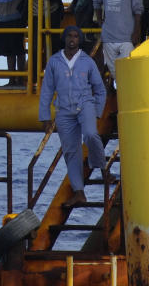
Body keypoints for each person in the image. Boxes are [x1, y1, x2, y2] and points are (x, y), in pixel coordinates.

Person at [39, 25, 108, 208]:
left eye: (76, 36)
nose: (72, 39)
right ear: (64, 38)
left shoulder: (87, 61)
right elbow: (47, 90)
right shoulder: (54, 62)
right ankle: (79, 192)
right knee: (71, 152)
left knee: (91, 134)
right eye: (69, 35)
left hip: (85, 104)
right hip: (63, 110)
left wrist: (98, 111)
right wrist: (45, 117)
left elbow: (100, 89)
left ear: (80, 40)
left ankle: (100, 166)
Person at [94, 0, 143, 84]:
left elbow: (138, 9)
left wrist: (136, 31)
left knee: (126, 70)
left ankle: (127, 98)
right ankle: (122, 98)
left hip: (127, 36)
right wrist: (100, 22)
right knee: (115, 71)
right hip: (108, 36)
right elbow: (96, 2)